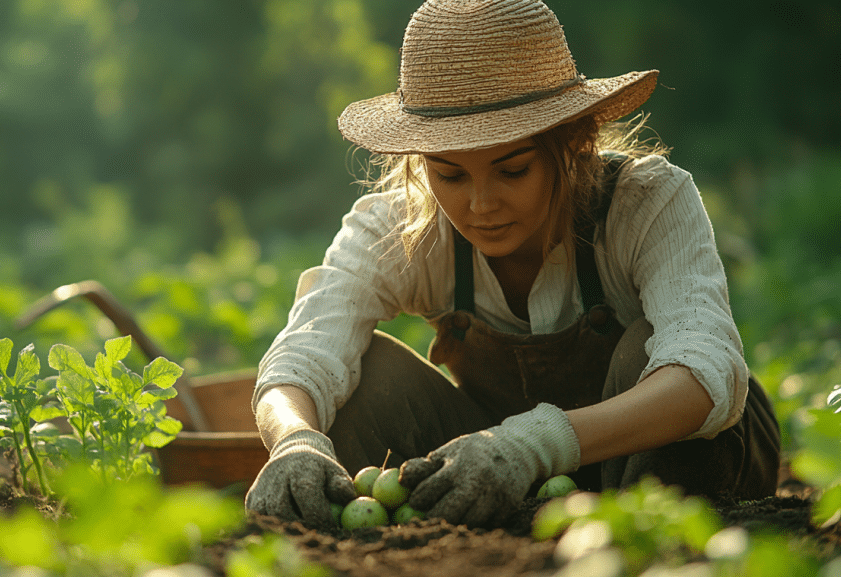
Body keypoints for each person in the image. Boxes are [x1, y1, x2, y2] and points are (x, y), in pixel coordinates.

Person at [245, 0, 780, 530]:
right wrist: (295, 440)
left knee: (645, 349)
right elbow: (304, 352)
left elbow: (705, 375)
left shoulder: (647, 202)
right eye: (450, 176)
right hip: (497, 467)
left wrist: (536, 444)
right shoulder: (396, 225)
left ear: (575, 141)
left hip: (657, 472)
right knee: (370, 377)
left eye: (513, 170)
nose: (480, 205)